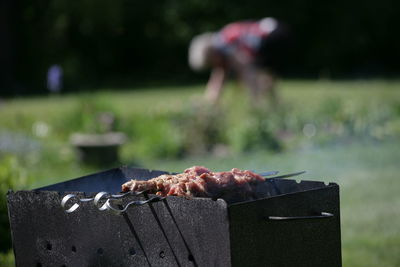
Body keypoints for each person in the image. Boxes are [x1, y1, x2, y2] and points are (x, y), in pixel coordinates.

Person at [188, 18, 291, 105]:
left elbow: (247, 70)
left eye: (211, 62)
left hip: (272, 36)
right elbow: (218, 78)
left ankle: (265, 107)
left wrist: (255, 100)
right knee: (266, 75)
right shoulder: (221, 43)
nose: (214, 65)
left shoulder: (225, 44)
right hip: (274, 32)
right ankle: (276, 105)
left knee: (261, 75)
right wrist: (210, 101)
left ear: (212, 55)